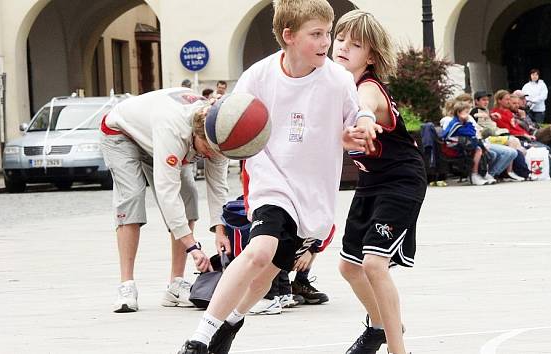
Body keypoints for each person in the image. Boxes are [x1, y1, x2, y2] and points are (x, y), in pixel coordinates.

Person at [177, 1, 361, 353]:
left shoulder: (338, 80)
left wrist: (359, 131)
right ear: (288, 36)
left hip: (312, 191)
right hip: (269, 177)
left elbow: (358, 115)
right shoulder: (257, 77)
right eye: (317, 34)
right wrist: (222, 135)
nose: (326, 42)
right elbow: (231, 120)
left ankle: (232, 321)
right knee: (259, 252)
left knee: (272, 269)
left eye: (328, 33)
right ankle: (198, 339)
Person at [332, 10, 427, 354]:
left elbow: (366, 106)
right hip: (371, 182)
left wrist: (365, 119)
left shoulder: (367, 87)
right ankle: (380, 326)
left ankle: (397, 349)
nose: (342, 47)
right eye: (339, 38)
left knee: (374, 263)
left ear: (370, 56)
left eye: (355, 44)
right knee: (348, 266)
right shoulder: (332, 86)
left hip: (402, 179)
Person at [100, 88, 230, 313]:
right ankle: (126, 285)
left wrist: (221, 229)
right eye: (207, 149)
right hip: (122, 132)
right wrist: (192, 248)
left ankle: (175, 285)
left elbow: (218, 188)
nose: (210, 155)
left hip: (156, 134)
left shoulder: (218, 135)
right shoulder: (174, 129)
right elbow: (166, 190)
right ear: (196, 135)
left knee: (188, 195)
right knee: (131, 197)